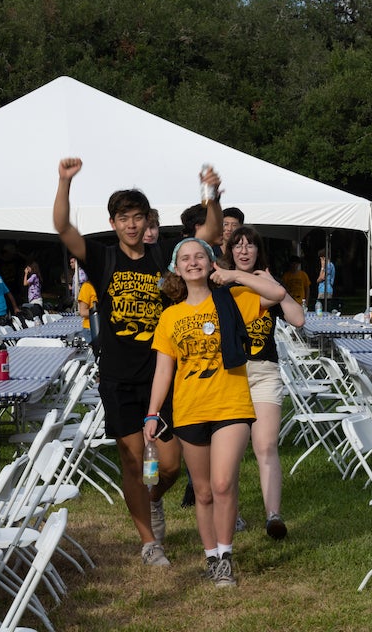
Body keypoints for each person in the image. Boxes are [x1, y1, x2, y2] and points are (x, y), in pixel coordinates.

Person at [53, 156, 223, 568]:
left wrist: (212, 196)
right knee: (133, 461)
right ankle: (150, 543)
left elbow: (211, 235)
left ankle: (153, 500)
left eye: (138, 217)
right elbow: (62, 226)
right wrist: (64, 183)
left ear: (147, 221)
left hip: (163, 376)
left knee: (168, 465)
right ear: (113, 223)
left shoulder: (162, 255)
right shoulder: (102, 257)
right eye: (123, 218)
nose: (131, 225)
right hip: (118, 376)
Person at [144, 237, 286, 586]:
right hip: (189, 410)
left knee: (223, 484)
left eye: (200, 257)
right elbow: (164, 369)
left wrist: (235, 275)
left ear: (211, 263)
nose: (193, 263)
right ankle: (210, 556)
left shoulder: (233, 299)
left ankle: (225, 556)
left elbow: (278, 294)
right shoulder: (170, 316)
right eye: (185, 259)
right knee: (203, 491)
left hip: (232, 404)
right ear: (176, 270)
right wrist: (152, 413)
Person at [223, 226, 305, 541]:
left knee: (266, 445)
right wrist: (232, 278)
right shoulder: (221, 283)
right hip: (231, 375)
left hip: (264, 371)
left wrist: (274, 284)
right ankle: (233, 514)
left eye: (250, 245)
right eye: (238, 245)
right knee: (230, 451)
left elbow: (298, 319)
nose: (244, 250)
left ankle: (273, 515)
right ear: (230, 251)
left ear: (259, 251)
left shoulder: (267, 286)